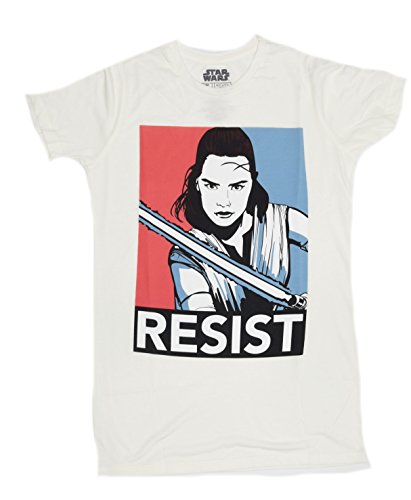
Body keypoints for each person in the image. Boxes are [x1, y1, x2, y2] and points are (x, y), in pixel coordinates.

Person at [169, 127, 308, 314]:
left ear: (252, 182)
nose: (224, 201)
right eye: (211, 185)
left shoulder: (281, 219)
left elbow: (330, 248)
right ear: (198, 183)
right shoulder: (186, 253)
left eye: (237, 186)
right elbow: (201, 315)